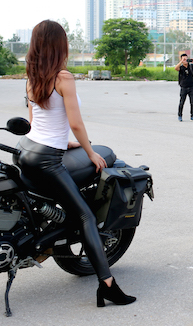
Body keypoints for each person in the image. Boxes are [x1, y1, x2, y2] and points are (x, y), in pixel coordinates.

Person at [15, 20, 135, 307]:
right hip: (47, 160)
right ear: (60, 45)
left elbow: (35, 122)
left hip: (25, 151)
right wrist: (89, 151)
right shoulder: (63, 77)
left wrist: (61, 140)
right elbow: (75, 123)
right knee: (86, 218)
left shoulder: (32, 76)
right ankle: (107, 285)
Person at [175, 53, 193, 122]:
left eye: (186, 59)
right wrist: (181, 62)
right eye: (184, 59)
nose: (185, 60)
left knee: (192, 102)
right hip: (184, 87)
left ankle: (192, 116)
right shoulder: (181, 67)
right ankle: (180, 115)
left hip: (191, 86)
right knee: (182, 102)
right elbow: (176, 68)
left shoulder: (191, 66)